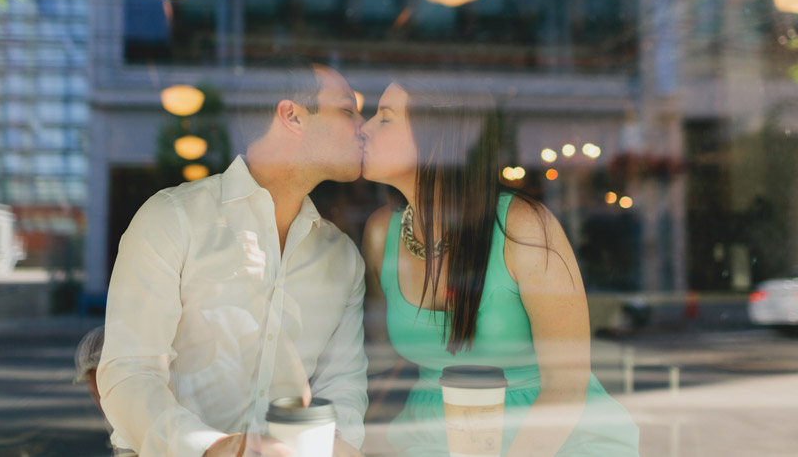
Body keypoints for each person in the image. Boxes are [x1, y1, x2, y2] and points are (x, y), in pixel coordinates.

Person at [97, 59, 368, 457]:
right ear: (291, 116)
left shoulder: (342, 258)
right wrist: (214, 449)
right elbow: (129, 374)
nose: (363, 126)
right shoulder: (172, 220)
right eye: (347, 110)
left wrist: (336, 448)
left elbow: (342, 387)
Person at [359, 80, 640, 456]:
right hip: (432, 439)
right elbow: (379, 363)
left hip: (555, 440)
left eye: (385, 118)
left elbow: (567, 384)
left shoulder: (524, 228)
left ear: (436, 138)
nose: (364, 128)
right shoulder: (381, 234)